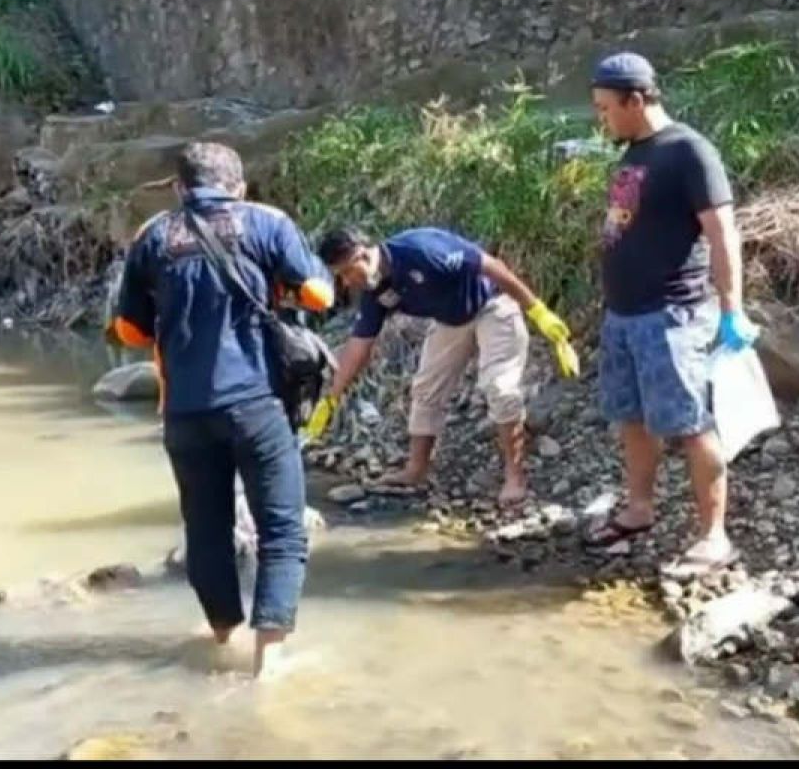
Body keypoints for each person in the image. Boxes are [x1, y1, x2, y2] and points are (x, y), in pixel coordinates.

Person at [107, 141, 335, 678]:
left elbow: (129, 331)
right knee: (280, 530)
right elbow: (320, 295)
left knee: (206, 531)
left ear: (181, 188)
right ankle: (269, 662)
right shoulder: (266, 223)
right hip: (256, 403)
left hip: (184, 412)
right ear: (239, 186)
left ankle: (223, 639)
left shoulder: (153, 236)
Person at [584, 51, 759, 576]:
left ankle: (714, 536)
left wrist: (732, 308)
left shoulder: (688, 151)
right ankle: (639, 510)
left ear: (636, 100)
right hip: (622, 316)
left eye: (606, 108)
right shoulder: (633, 153)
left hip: (672, 316)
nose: (602, 118)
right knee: (631, 418)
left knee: (690, 423)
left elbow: (722, 231)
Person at [303, 225, 579, 505]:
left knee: (500, 388)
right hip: (450, 320)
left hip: (492, 305)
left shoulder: (421, 251)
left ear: (361, 255)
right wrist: (331, 399)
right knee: (425, 389)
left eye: (347, 272)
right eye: (340, 277)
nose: (347, 283)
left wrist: (539, 312)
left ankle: (515, 477)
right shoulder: (374, 291)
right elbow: (360, 345)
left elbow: (491, 266)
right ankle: (415, 471)